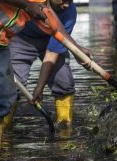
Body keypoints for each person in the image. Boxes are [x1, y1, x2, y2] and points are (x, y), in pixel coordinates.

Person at [0, 0, 86, 161]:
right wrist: (26, 5)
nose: (66, 4)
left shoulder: (59, 9)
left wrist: (78, 51)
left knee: (1, 99)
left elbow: (55, 25)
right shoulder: (30, 5)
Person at [8, 0, 79, 131]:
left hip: (51, 40)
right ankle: (3, 129)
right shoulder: (31, 2)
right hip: (21, 38)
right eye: (63, 0)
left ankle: (65, 126)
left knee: (63, 80)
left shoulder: (69, 13)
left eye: (70, 0)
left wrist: (39, 88)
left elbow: (52, 52)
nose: (66, 5)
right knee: (11, 86)